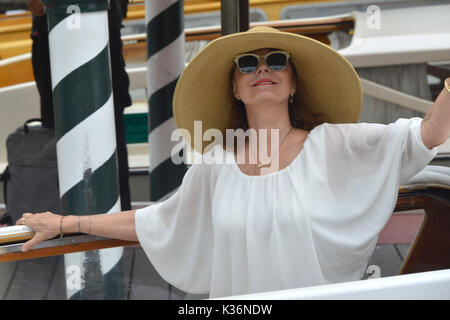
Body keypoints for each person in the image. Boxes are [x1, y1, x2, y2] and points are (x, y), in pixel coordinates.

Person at [16, 27, 450, 298]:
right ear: (236, 90)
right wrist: (69, 223)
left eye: (276, 62)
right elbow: (159, 220)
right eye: (248, 65)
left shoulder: (333, 144)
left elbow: (428, 132)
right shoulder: (216, 163)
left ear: (294, 84)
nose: (263, 69)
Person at [28, 0, 132, 211]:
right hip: (51, 29)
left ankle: (118, 223)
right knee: (57, 129)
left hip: (100, 26)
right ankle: (63, 218)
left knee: (111, 128)